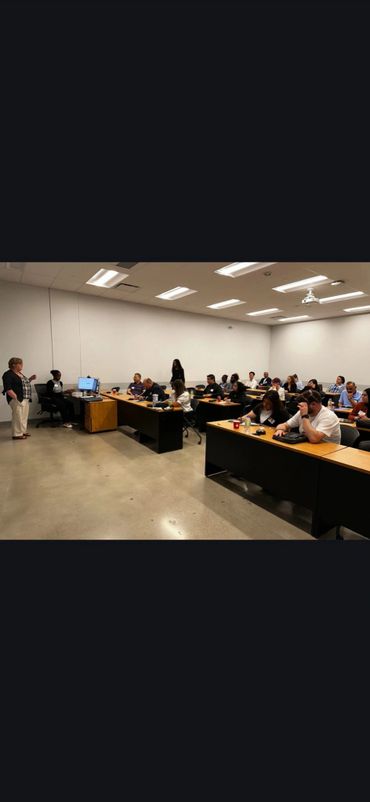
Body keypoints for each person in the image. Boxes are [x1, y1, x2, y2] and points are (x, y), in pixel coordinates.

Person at [275, 390, 341, 444]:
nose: (299, 408)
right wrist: (280, 430)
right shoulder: (302, 411)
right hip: (308, 448)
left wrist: (304, 416)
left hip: (328, 454)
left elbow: (314, 439)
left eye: (302, 405)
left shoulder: (329, 416)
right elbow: (284, 425)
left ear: (314, 404)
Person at [2, 357, 37, 440]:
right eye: (20, 363)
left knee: (23, 416)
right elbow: (8, 388)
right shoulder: (8, 374)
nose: (22, 365)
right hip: (16, 399)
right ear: (14, 365)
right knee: (17, 416)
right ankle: (17, 434)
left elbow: (22, 384)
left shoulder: (20, 373)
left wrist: (30, 379)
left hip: (25, 398)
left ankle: (23, 431)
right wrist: (16, 398)